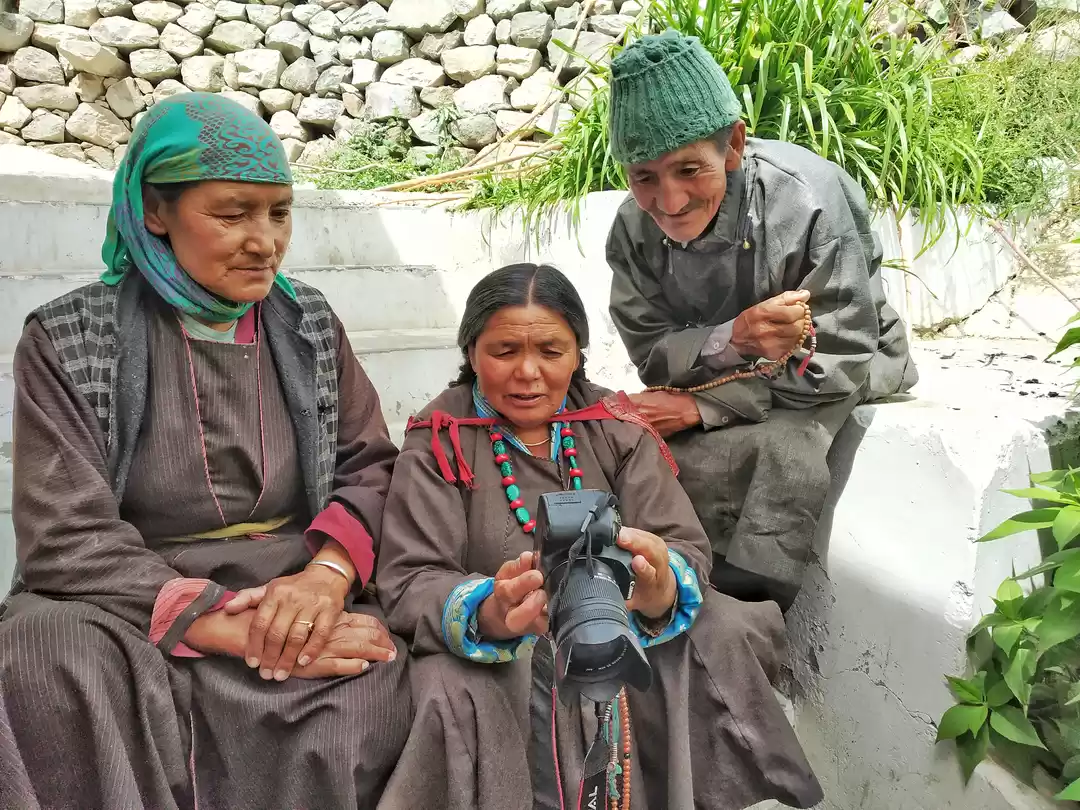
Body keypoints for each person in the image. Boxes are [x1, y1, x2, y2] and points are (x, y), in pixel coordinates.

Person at [0, 93, 411, 810]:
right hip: (126, 596)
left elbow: (369, 465)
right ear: (155, 212)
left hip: (288, 581)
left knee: (371, 678)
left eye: (279, 213)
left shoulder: (309, 323)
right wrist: (219, 621)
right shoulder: (68, 337)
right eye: (231, 214)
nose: (264, 241)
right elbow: (65, 531)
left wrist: (325, 579)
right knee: (43, 655)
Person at [375, 263, 823, 810]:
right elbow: (411, 576)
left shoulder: (614, 424)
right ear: (471, 352)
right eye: (504, 350)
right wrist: (490, 610)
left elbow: (680, 542)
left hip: (620, 613)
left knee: (720, 630)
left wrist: (658, 585)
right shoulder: (441, 439)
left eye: (551, 351)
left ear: (577, 354)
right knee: (461, 687)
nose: (528, 373)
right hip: (507, 636)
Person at [604, 30, 918, 610]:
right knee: (627, 445)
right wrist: (733, 338)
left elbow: (840, 358)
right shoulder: (632, 227)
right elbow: (650, 353)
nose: (669, 202)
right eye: (644, 176)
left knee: (787, 454)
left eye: (689, 169)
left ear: (733, 145)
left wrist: (704, 406)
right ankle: (664, 587)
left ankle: (748, 617)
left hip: (835, 371)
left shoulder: (808, 200)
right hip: (717, 378)